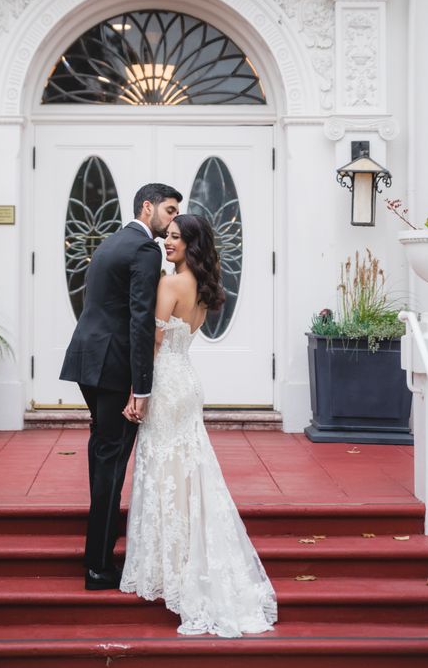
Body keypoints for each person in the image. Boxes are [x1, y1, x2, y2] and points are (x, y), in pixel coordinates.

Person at [120, 214, 278, 637]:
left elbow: (150, 343)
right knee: (187, 471)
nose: (166, 243)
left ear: (191, 245)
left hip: (165, 385)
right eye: (166, 236)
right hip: (187, 380)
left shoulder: (170, 284)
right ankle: (189, 558)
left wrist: (136, 393)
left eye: (174, 239)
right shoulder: (205, 289)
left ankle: (173, 567)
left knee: (163, 471)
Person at [60, 182, 182, 591]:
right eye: (168, 210)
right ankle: (97, 566)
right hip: (114, 368)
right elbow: (140, 319)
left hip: (87, 360)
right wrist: (142, 389)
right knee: (111, 464)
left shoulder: (112, 241)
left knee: (102, 454)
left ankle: (96, 553)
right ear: (147, 207)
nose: (171, 221)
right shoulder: (145, 250)